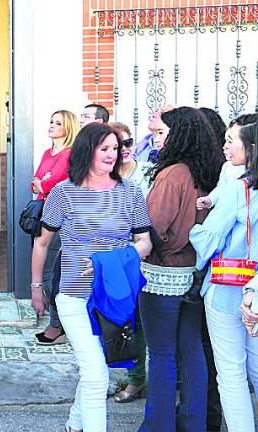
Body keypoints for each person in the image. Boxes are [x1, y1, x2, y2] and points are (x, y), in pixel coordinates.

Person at [31, 123, 153, 432]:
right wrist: (36, 287)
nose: (114, 155)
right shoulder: (63, 192)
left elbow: (145, 243)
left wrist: (110, 261)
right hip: (73, 294)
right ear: (88, 151)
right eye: (105, 149)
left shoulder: (131, 192)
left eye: (117, 148)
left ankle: (74, 424)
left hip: (112, 295)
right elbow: (42, 242)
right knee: (98, 375)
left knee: (93, 370)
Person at [140, 107, 223, 432]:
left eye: (161, 133)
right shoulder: (208, 170)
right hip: (193, 274)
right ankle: (194, 424)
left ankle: (157, 426)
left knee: (161, 356)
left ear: (179, 135)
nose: (156, 140)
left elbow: (154, 228)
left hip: (162, 275)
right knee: (191, 353)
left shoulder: (172, 174)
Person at [190, 120, 258, 432]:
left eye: (233, 141)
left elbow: (209, 237)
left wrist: (193, 229)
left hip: (227, 290)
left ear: (252, 150)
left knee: (231, 373)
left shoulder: (239, 190)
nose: (226, 147)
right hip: (254, 292)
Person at [107, 121, 152, 404]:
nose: (123, 149)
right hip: (113, 261)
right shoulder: (103, 178)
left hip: (142, 257)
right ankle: (126, 374)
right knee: (118, 322)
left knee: (138, 322)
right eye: (115, 145)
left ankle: (138, 380)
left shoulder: (147, 174)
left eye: (127, 142)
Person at [32, 109, 79, 346]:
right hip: (44, 213)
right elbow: (37, 180)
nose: (52, 126)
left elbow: (56, 183)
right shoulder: (46, 152)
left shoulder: (70, 154)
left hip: (63, 217)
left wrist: (45, 184)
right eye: (51, 121)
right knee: (47, 268)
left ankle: (58, 324)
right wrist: (45, 184)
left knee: (55, 272)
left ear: (67, 128)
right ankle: (56, 321)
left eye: (57, 123)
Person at [112, 122, 152, 198]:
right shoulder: (106, 176)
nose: (124, 149)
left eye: (127, 143)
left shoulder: (151, 170)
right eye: (118, 146)